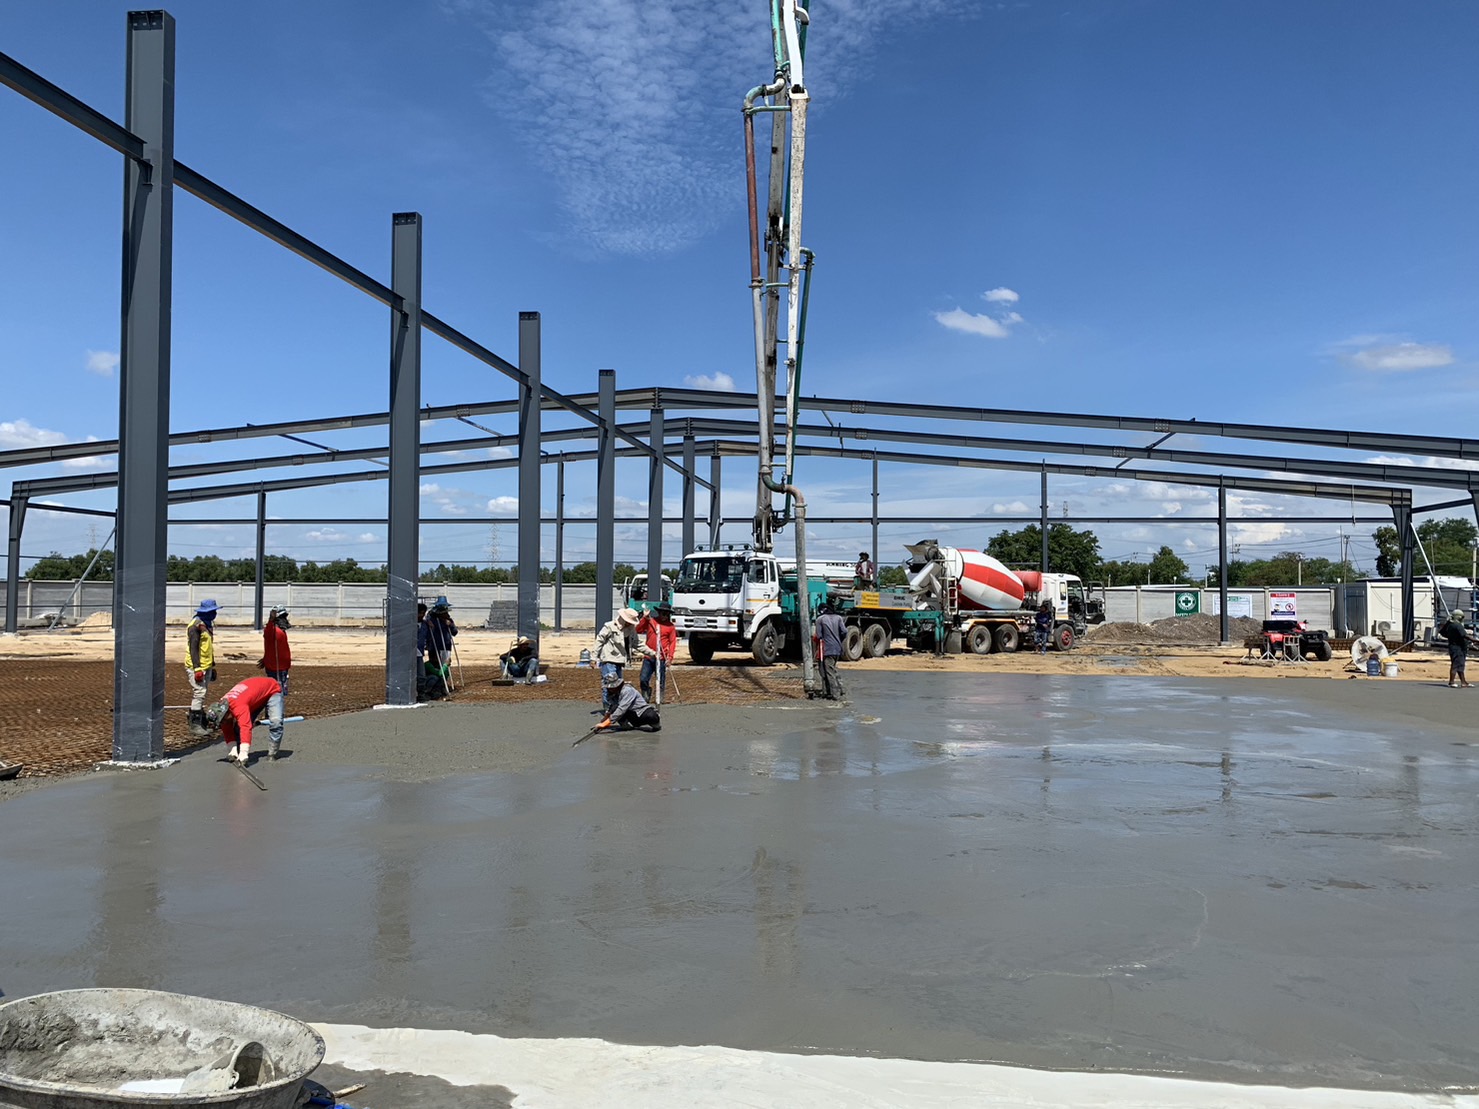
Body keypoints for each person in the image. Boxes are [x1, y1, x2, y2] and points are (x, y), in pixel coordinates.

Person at [204, 675, 284, 764]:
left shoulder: (238, 706)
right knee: (236, 727)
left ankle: (272, 753)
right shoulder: (221, 709)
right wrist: (232, 750)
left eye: (223, 720)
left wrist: (244, 753)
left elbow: (245, 727)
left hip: (271, 690)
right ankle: (236, 752)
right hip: (253, 698)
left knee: (276, 722)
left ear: (226, 712)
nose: (223, 722)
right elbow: (227, 729)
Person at [594, 607, 647, 714]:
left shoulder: (631, 629)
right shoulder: (609, 626)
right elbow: (599, 640)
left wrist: (651, 652)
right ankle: (608, 709)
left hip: (620, 661)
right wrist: (593, 657)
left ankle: (615, 708)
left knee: (618, 686)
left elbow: (637, 643)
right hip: (609, 659)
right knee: (609, 685)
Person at [183, 598, 220, 737]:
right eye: (212, 611)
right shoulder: (195, 626)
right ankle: (195, 724)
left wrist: (212, 665)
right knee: (199, 692)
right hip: (197, 665)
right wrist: (197, 668)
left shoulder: (207, 625)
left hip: (206, 664)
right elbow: (194, 648)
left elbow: (208, 647)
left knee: (203, 692)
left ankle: (199, 721)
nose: (214, 614)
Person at [636, 603, 678, 702]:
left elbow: (672, 642)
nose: (664, 616)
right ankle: (646, 692)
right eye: (663, 613)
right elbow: (638, 629)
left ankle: (660, 697)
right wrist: (644, 618)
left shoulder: (670, 626)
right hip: (649, 656)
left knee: (660, 679)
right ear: (659, 612)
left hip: (662, 657)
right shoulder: (651, 621)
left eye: (667, 614)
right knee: (643, 678)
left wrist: (670, 657)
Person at [422, 596, 458, 695]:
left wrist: (450, 625)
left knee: (446, 665)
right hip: (434, 646)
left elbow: (455, 632)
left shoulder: (448, 619)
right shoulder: (431, 618)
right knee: (436, 667)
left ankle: (443, 684)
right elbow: (427, 630)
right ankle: (436, 686)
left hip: (446, 646)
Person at [814, 603, 848, 701]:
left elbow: (819, 635)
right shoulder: (838, 618)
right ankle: (832, 691)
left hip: (827, 649)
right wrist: (839, 639)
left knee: (829, 672)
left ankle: (835, 694)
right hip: (837, 648)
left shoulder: (820, 619)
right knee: (832, 669)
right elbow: (845, 631)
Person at [259, 606, 292, 694]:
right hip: (276, 668)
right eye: (282, 617)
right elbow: (268, 632)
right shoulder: (273, 631)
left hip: (282, 667)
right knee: (277, 692)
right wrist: (271, 619)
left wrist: (266, 658)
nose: (285, 619)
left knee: (280, 691)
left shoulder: (281, 631)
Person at [1441, 609, 1472, 688]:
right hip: (1458, 648)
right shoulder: (1457, 625)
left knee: (1460, 665)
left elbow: (1442, 632)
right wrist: (1476, 640)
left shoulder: (1449, 624)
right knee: (1455, 664)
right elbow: (1465, 636)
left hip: (1454, 646)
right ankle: (1451, 682)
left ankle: (1463, 682)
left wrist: (1451, 637)